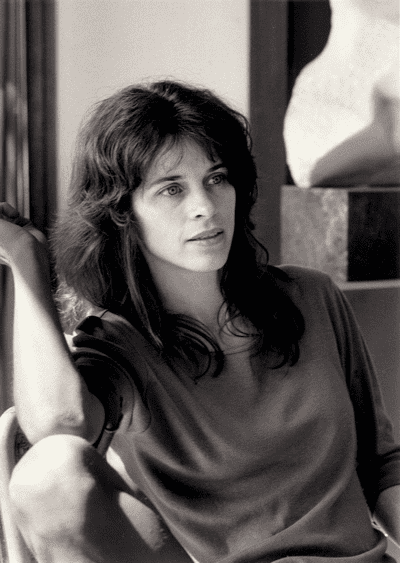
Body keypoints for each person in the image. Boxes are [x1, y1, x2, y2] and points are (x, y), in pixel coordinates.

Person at [0, 80, 399, 563]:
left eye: (217, 178)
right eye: (172, 189)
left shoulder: (311, 296)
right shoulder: (119, 345)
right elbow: (59, 429)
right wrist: (26, 263)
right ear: (122, 213)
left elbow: (382, 465)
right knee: (46, 472)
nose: (205, 208)